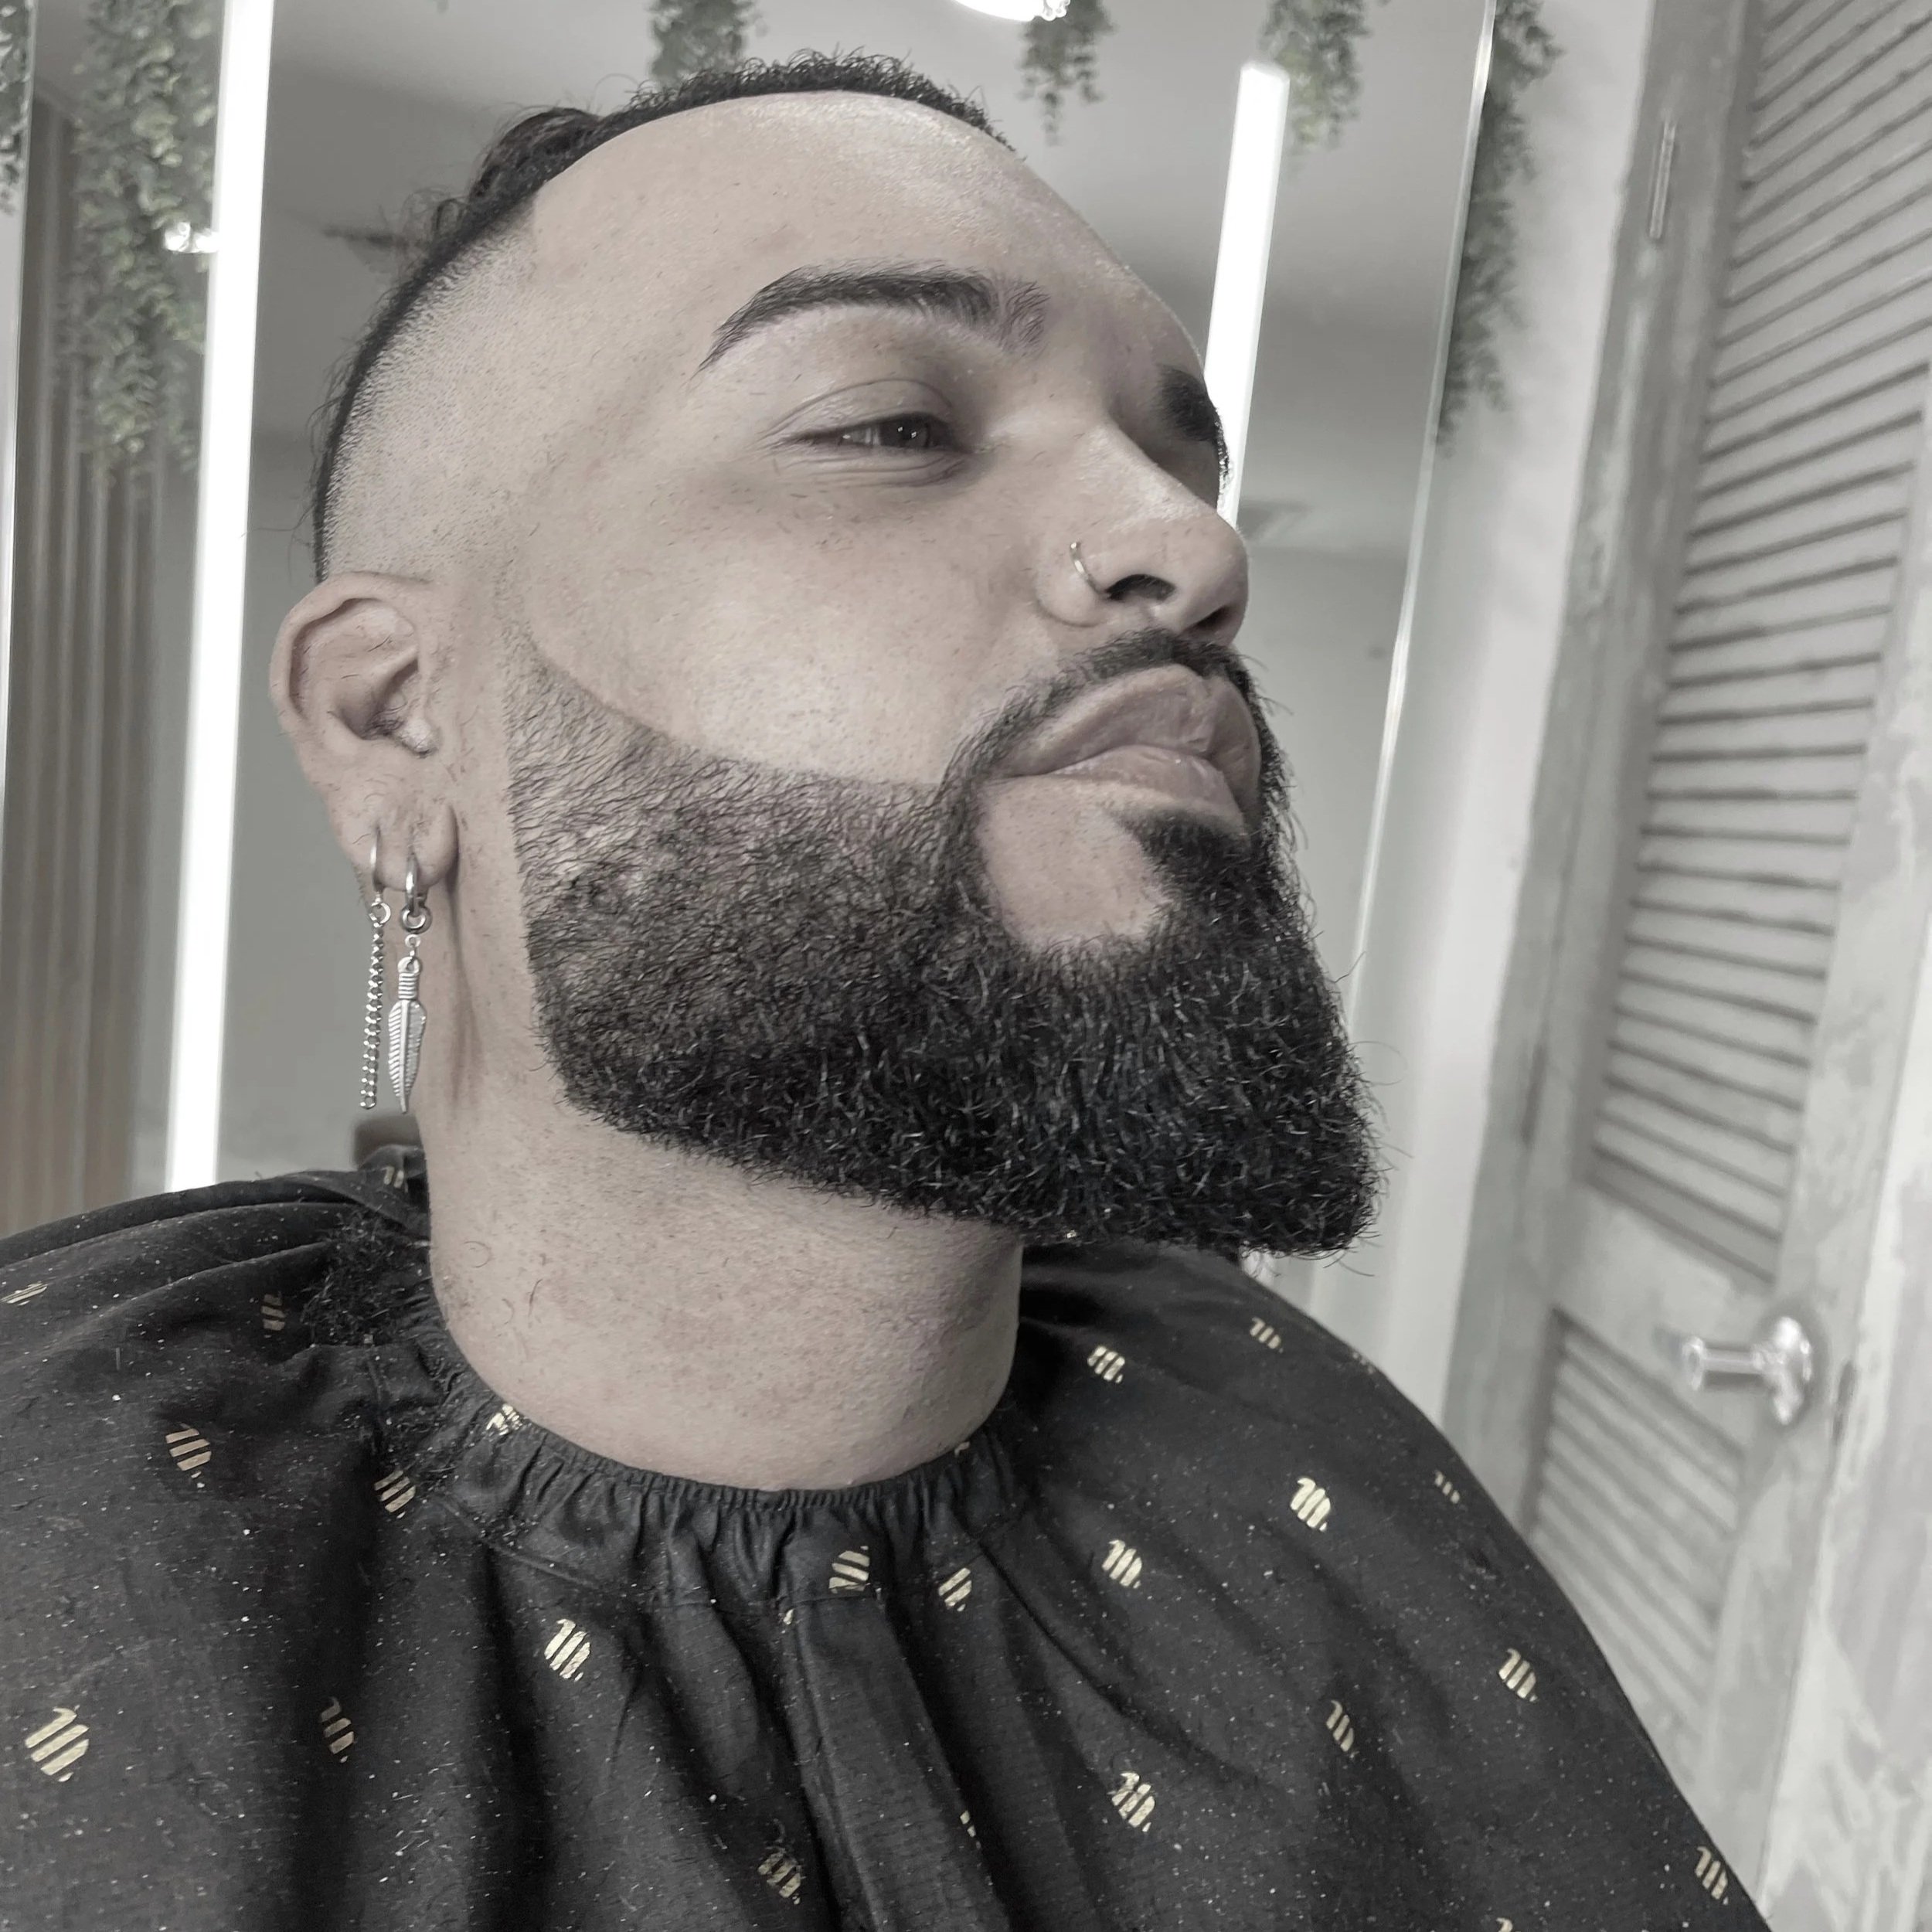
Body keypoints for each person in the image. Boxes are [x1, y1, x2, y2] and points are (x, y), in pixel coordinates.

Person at [0, 52, 1767, 1930]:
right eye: (884, 423)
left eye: (1182, 459)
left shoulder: (1308, 1466)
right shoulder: (72, 1540)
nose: (1196, 548)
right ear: (392, 715)